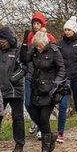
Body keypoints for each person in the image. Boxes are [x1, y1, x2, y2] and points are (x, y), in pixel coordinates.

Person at [20, 31, 65, 152]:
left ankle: (45, 148)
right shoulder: (34, 51)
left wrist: (57, 83)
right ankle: (51, 135)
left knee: (44, 118)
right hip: (37, 89)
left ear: (44, 44)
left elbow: (61, 68)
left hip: (50, 90)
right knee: (35, 115)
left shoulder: (53, 51)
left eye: (40, 46)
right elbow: (24, 58)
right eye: (36, 46)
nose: (38, 48)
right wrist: (24, 43)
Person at [0, 26, 26, 152]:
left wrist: (14, 78)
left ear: (8, 40)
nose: (0, 44)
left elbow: (24, 67)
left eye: (2, 41)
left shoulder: (18, 49)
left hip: (15, 90)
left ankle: (19, 143)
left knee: (18, 118)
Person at [21, 11, 56, 139]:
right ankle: (38, 123)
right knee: (28, 103)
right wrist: (25, 42)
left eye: (38, 23)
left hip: (44, 76)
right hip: (29, 74)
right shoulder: (29, 36)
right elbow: (24, 57)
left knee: (41, 103)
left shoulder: (49, 37)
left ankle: (42, 127)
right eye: (34, 23)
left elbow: (54, 56)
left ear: (42, 24)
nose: (35, 26)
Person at [56, 16, 77, 143]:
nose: (67, 32)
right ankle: (60, 133)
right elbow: (58, 61)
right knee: (63, 106)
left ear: (74, 30)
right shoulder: (61, 44)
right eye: (65, 30)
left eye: (69, 30)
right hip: (65, 79)